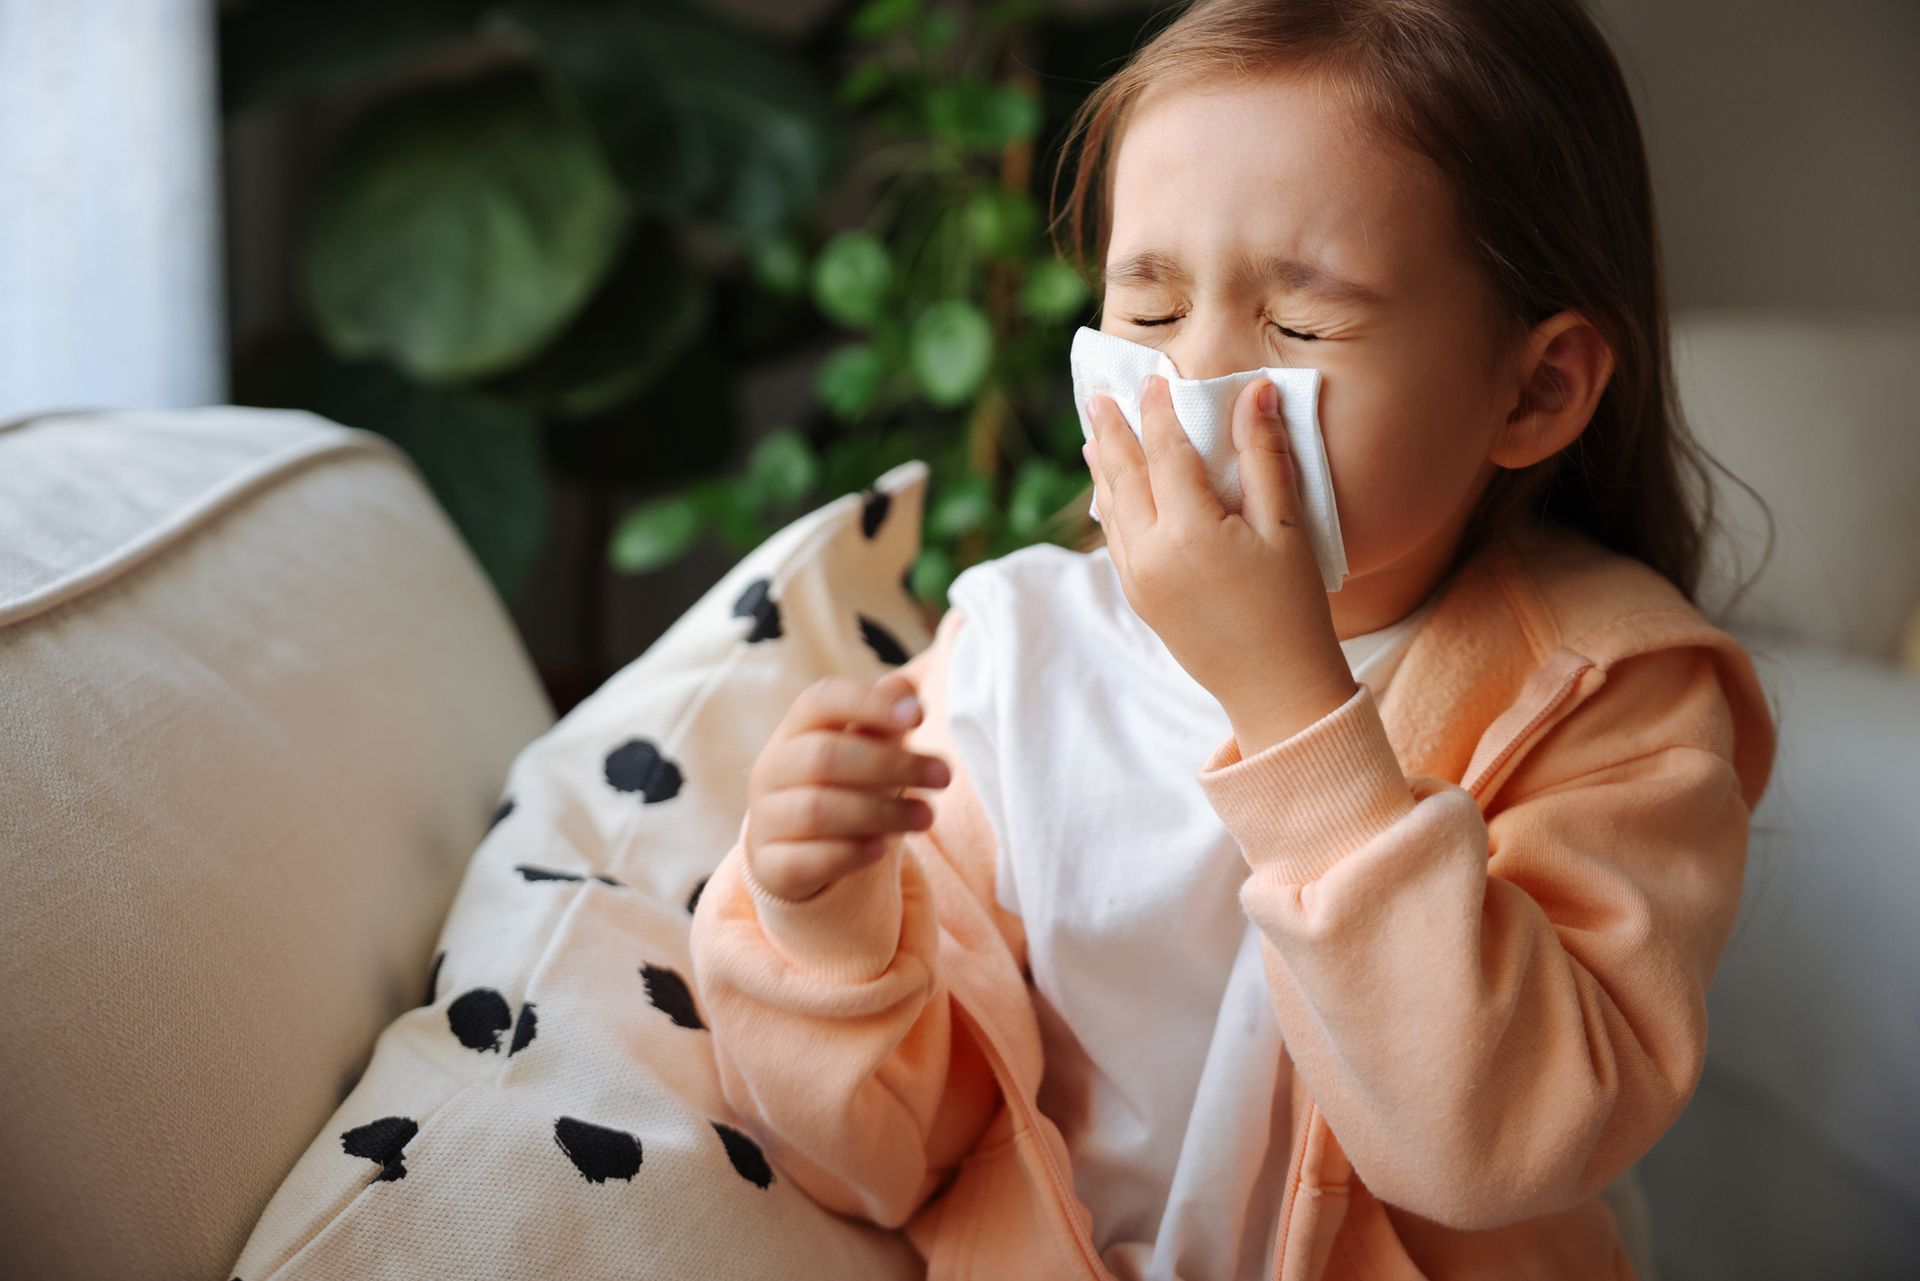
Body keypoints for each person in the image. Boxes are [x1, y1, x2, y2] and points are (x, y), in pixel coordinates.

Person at [689, 1, 1779, 1277]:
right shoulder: (1011, 659)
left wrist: (1289, 703)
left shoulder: (1617, 697)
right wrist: (821, 928)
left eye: (1300, 327)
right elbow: (884, 1162)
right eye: (1147, 311)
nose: (1192, 384)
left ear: (1533, 390)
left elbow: (1492, 1148)